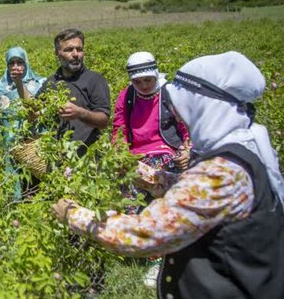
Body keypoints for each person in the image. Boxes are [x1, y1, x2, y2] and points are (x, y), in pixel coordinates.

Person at [54, 51, 284, 298]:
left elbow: (146, 233)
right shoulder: (243, 145)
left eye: (182, 107)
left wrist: (74, 215)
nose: (177, 113)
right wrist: (156, 178)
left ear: (202, 107)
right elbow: (198, 194)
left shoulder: (221, 172)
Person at [112, 52, 190, 212]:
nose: (144, 85)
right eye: (137, 82)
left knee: (160, 171)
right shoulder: (127, 96)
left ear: (155, 75)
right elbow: (119, 130)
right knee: (126, 180)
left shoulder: (169, 93)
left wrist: (188, 150)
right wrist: (119, 152)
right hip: (136, 155)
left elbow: (186, 126)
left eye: (148, 80)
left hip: (166, 151)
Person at [34, 28, 110, 156]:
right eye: (69, 50)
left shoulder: (94, 80)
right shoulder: (51, 82)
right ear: (57, 53)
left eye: (79, 49)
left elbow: (104, 121)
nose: (75, 54)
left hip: (87, 159)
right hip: (57, 157)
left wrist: (79, 113)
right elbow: (35, 112)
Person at [0, 47, 46, 199]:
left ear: (26, 63)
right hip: (11, 147)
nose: (15, 66)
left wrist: (19, 84)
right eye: (11, 63)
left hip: (34, 147)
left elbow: (37, 111)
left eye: (19, 62)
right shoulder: (2, 89)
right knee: (16, 187)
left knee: (38, 187)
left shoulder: (40, 84)